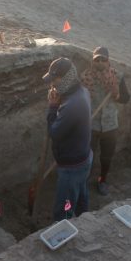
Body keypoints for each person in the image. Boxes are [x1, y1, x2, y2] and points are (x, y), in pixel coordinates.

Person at [43, 57, 92, 221]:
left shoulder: (72, 105)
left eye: (54, 80)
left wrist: (53, 107)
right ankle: (84, 221)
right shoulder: (82, 92)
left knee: (63, 210)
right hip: (83, 158)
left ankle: (65, 233)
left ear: (65, 79)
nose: (52, 84)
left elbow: (54, 134)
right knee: (80, 196)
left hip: (72, 166)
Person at [81, 47, 120, 196]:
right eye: (97, 59)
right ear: (93, 60)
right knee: (88, 155)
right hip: (92, 124)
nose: (100, 62)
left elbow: (125, 99)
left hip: (110, 124)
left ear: (108, 61)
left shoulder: (115, 76)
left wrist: (116, 93)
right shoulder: (85, 77)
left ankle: (102, 180)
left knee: (106, 156)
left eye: (103, 59)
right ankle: (84, 181)